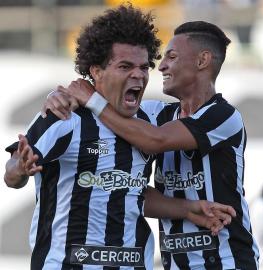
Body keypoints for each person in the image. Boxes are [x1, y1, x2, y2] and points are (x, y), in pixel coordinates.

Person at [3, 6, 236, 269]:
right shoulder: (64, 116)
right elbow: (11, 172)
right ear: (97, 71)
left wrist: (186, 208)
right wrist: (19, 170)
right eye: (125, 66)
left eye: (143, 67)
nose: (138, 74)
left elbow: (131, 190)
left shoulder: (152, 119)